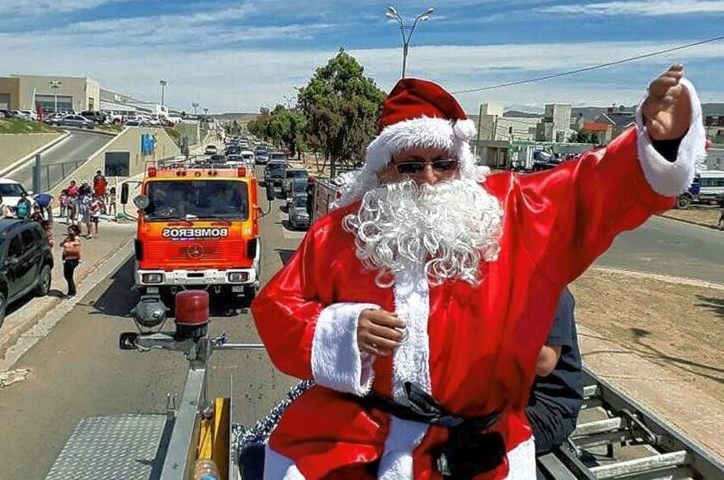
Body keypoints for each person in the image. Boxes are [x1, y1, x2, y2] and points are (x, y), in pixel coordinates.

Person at [251, 66, 704, 479]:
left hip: (481, 449)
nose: (427, 178)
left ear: (460, 165)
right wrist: (341, 330)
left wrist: (658, 143)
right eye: (410, 166)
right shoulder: (341, 232)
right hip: (358, 438)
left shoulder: (513, 214)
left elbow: (591, 188)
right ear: (383, 171)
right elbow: (276, 307)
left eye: (442, 164)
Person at [527, 289, 583, 476]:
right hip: (519, 397)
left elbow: (545, 362)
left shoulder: (554, 294)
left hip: (551, 408)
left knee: (478, 440)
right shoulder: (509, 289)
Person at [60, 225, 82, 298]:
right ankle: (72, 291)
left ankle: (71, 292)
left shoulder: (76, 239)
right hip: (67, 259)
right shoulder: (68, 238)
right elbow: (61, 245)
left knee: (69, 276)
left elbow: (76, 249)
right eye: (68, 230)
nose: (69, 232)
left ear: (75, 231)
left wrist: (67, 244)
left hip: (72, 259)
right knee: (67, 276)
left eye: (71, 230)